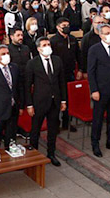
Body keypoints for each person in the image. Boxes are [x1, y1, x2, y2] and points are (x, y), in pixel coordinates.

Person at [24, 38, 66, 166]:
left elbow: (62, 83)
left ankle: (51, 154)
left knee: (53, 129)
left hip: (55, 101)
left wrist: (63, 100)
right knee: (35, 130)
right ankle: (34, 156)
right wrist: (29, 104)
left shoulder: (57, 60)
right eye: (44, 45)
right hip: (39, 102)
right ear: (38, 48)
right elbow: (27, 86)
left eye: (48, 44)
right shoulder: (32, 63)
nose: (47, 46)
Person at [87, 23, 110, 157]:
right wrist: (94, 90)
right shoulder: (94, 49)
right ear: (101, 35)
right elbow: (91, 72)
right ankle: (95, 144)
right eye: (107, 33)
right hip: (101, 90)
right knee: (97, 118)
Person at [49, 18, 79, 131]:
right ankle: (56, 124)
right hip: (57, 75)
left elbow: (78, 55)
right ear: (58, 27)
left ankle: (67, 122)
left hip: (70, 72)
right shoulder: (53, 41)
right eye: (63, 25)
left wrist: (80, 69)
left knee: (69, 98)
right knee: (57, 99)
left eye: (68, 25)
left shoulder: (73, 39)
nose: (66, 27)